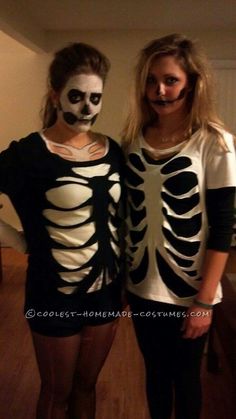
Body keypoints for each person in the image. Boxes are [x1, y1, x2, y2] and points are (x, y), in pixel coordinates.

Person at [0, 42, 125, 419]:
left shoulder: (113, 149)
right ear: (55, 95)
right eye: (76, 96)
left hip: (107, 292)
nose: (87, 107)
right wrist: (20, 242)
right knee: (56, 391)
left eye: (95, 98)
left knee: (87, 387)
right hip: (53, 295)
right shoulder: (28, 153)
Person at [122, 33, 236, 419]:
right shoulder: (134, 139)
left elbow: (223, 227)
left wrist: (204, 301)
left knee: (186, 378)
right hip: (141, 287)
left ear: (191, 83)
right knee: (154, 374)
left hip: (191, 292)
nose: (160, 89)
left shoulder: (215, 142)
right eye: (152, 80)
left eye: (171, 80)